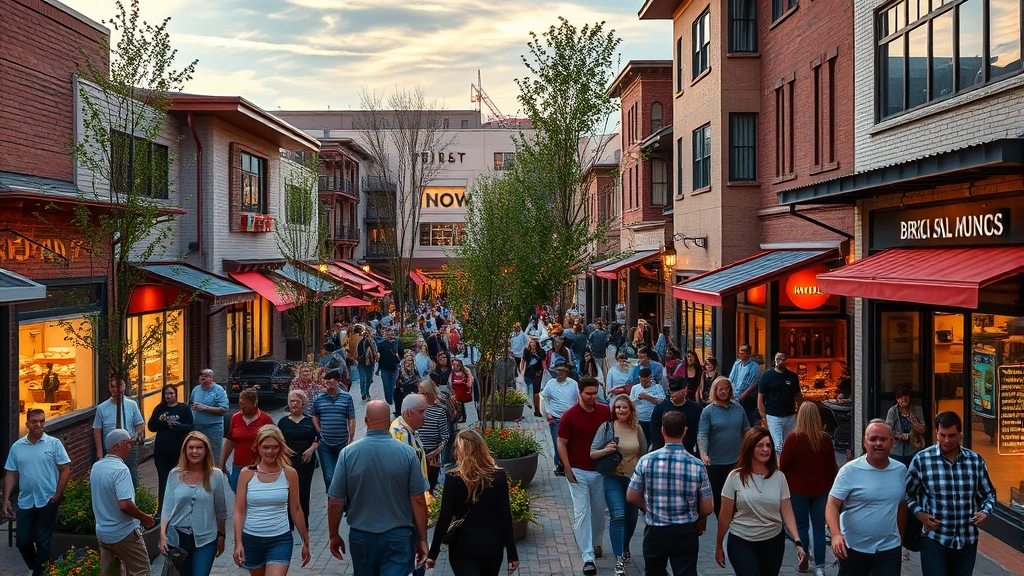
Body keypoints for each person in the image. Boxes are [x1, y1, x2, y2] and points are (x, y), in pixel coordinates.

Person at [327, 401, 429, 576]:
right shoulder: (407, 453)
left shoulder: (348, 454)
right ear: (389, 421)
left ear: (366, 420)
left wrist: (334, 534)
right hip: (397, 534)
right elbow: (418, 499)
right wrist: (422, 538)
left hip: (361, 534)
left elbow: (335, 501)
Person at [905, 411, 996, 576]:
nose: (947, 440)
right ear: (936, 433)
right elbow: (907, 494)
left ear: (960, 434)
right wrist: (920, 514)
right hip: (935, 538)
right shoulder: (922, 460)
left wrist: (985, 512)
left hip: (966, 540)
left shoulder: (975, 461)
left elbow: (989, 493)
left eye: (952, 435)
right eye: (942, 435)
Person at [626, 411, 713, 576]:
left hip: (656, 530)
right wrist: (699, 518)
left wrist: (647, 508)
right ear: (685, 431)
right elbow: (708, 507)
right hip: (685, 532)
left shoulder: (646, 461)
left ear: (662, 431)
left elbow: (631, 496)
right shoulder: (697, 465)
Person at [715, 427, 806, 576]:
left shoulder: (779, 477)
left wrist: (797, 541)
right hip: (741, 540)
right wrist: (719, 545)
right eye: (761, 445)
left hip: (773, 540)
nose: (765, 449)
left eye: (768, 445)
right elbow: (725, 514)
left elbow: (787, 511)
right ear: (750, 447)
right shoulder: (734, 477)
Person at [427, 429, 519, 576]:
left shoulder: (453, 479)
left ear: (460, 451)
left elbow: (444, 518)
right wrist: (512, 553)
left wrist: (433, 553)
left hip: (462, 546)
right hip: (492, 545)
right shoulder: (498, 476)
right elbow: (505, 516)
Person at [826, 419, 907, 576]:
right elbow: (832, 504)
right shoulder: (849, 470)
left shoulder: (901, 470)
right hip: (853, 548)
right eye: (873, 439)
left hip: (889, 549)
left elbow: (902, 504)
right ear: (865, 443)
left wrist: (900, 539)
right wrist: (836, 535)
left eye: (883, 439)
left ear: (892, 443)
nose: (878, 443)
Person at [232, 425, 311, 574]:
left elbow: (296, 508)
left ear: (281, 447)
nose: (271, 451)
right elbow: (239, 510)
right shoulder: (246, 474)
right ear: (258, 447)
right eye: (266, 447)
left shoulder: (289, 473)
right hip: (252, 539)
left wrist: (305, 540)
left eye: (275, 447)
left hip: (280, 539)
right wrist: (238, 543)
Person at [2, 409, 71, 576]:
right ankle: (35, 568)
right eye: (34, 422)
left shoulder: (54, 444)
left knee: (43, 542)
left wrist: (57, 494)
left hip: (48, 500)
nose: (39, 425)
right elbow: (11, 473)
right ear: (27, 424)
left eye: (42, 421)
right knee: (23, 542)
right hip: (26, 501)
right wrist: (6, 499)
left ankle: (40, 573)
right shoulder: (18, 447)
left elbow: (65, 469)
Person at [556, 377, 611, 575]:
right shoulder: (569, 416)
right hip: (578, 470)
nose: (593, 397)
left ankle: (596, 543)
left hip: (600, 471)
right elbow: (561, 442)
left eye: (595, 393)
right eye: (589, 394)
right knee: (582, 512)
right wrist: (567, 468)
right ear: (579, 393)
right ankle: (588, 556)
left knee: (598, 512)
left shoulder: (605, 411)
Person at [159, 431, 230, 576]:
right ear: (185, 450)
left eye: (199, 447)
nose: (194, 451)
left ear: (206, 451)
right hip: (178, 538)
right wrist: (162, 536)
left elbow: (220, 509)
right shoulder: (175, 474)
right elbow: (167, 507)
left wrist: (221, 535)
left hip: (206, 538)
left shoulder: (215, 475)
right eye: (191, 448)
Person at [590, 395, 647, 576]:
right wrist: (606, 450)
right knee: (618, 516)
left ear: (630, 410)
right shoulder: (606, 427)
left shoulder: (637, 428)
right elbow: (592, 453)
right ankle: (619, 559)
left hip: (633, 479)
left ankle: (625, 545)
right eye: (617, 408)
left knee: (631, 518)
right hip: (612, 477)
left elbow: (644, 453)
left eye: (624, 408)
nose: (620, 411)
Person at [779, 402, 838, 576]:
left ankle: (803, 556)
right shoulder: (825, 439)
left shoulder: (793, 439)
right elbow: (832, 468)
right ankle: (820, 566)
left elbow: (784, 466)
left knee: (801, 527)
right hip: (821, 490)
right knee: (819, 529)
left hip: (797, 489)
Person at [91, 429, 156, 576]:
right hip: (123, 533)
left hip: (102, 533)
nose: (130, 447)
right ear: (121, 444)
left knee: (111, 572)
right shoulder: (120, 470)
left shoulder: (97, 467)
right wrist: (144, 517)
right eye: (129, 443)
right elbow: (124, 504)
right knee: (142, 571)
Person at [697, 376, 750, 517]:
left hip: (736, 461)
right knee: (719, 498)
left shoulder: (738, 408)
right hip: (716, 463)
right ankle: (723, 525)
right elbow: (702, 435)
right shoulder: (708, 411)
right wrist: (703, 454)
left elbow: (747, 431)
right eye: (720, 389)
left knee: (737, 497)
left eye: (726, 389)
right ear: (715, 390)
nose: (723, 392)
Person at [147, 384, 195, 511]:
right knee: (163, 479)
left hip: (177, 450)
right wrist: (160, 421)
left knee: (177, 478)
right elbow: (151, 427)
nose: (168, 396)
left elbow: (190, 426)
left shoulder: (183, 408)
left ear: (176, 394)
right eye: (166, 394)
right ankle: (162, 508)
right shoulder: (159, 408)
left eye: (171, 394)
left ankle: (178, 507)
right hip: (161, 451)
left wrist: (179, 426)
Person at [278, 390, 319, 531]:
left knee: (303, 491)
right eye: (292, 401)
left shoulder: (310, 420)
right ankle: (288, 522)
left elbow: (318, 438)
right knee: (288, 490)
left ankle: (303, 521)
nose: (294, 404)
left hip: (306, 461)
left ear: (303, 403)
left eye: (297, 401)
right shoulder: (283, 422)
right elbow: (278, 439)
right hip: (288, 461)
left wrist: (312, 448)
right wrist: (284, 448)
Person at [93, 377, 145, 486]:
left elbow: (139, 423)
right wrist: (99, 452)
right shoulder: (102, 408)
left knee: (132, 475)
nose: (118, 390)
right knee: (112, 475)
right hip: (111, 448)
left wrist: (136, 436)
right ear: (110, 388)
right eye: (114, 387)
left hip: (129, 446)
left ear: (124, 386)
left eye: (120, 386)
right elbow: (97, 429)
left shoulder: (131, 404)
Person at [311, 369, 356, 492]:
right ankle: (332, 503)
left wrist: (351, 437)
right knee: (329, 476)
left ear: (337, 381)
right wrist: (319, 431)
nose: (327, 382)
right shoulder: (319, 398)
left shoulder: (346, 398)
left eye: (330, 379)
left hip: (342, 442)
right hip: (325, 444)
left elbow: (351, 418)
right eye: (326, 379)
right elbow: (314, 416)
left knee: (343, 475)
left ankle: (345, 503)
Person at [220, 388, 274, 491]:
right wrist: (222, 463)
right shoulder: (235, 418)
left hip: (259, 466)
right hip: (238, 464)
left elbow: (275, 442)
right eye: (240, 403)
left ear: (254, 403)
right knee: (236, 489)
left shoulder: (265, 419)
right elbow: (230, 441)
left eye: (244, 404)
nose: (241, 407)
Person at [757, 352, 802, 454]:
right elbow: (760, 397)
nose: (780, 361)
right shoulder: (766, 376)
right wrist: (764, 415)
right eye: (778, 359)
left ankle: (787, 466)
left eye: (783, 359)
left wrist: (800, 412)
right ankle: (779, 466)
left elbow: (798, 395)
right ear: (774, 361)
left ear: (786, 361)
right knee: (778, 446)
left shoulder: (792, 376)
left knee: (789, 444)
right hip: (773, 416)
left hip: (790, 416)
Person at [540, 362, 579, 476]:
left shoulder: (573, 384)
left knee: (571, 442)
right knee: (557, 442)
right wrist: (547, 413)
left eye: (562, 370)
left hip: (570, 418)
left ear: (567, 372)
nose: (559, 373)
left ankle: (571, 464)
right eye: (558, 370)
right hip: (556, 418)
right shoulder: (550, 384)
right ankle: (559, 465)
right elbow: (544, 398)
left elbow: (578, 399)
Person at [649, 377, 703, 455]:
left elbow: (697, 431)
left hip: (687, 451)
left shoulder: (696, 409)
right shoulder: (660, 408)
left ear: (684, 390)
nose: (672, 394)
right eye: (671, 391)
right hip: (663, 450)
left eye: (676, 391)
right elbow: (655, 431)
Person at [191, 368, 229, 464]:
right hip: (198, 427)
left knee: (213, 454)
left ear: (211, 378)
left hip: (213, 428)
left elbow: (223, 409)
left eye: (206, 375)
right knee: (198, 453)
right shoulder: (196, 389)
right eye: (201, 375)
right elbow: (191, 403)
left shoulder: (218, 390)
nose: (202, 377)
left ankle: (214, 474)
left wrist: (206, 408)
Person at [418, 379, 451, 489]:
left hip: (431, 455)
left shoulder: (440, 410)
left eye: (421, 393)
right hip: (416, 453)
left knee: (430, 486)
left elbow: (445, 436)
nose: (418, 395)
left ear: (428, 394)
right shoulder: (416, 408)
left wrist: (433, 453)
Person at [885, 386, 927, 467]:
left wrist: (913, 420)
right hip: (896, 450)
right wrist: (900, 436)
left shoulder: (917, 409)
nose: (903, 400)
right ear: (897, 399)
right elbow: (888, 430)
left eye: (906, 397)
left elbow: (923, 429)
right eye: (900, 398)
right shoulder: (892, 411)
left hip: (913, 449)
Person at [728, 345, 762, 431]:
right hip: (734, 395)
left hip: (747, 398)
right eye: (739, 353)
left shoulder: (754, 367)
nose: (739, 355)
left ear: (748, 354)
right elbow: (731, 378)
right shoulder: (737, 364)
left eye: (742, 353)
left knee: (747, 419)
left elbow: (754, 383)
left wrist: (743, 395)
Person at [628, 367, 665, 444]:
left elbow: (662, 401)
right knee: (641, 441)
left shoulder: (657, 388)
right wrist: (638, 397)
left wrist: (648, 397)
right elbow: (630, 402)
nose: (644, 383)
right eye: (642, 381)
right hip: (639, 419)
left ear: (650, 378)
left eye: (646, 381)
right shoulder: (635, 388)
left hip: (653, 420)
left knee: (654, 441)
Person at [377, 327, 403, 405]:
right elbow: (376, 353)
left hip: (395, 368)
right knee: (386, 388)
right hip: (384, 369)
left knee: (393, 387)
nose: (388, 335)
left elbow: (401, 353)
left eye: (390, 333)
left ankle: (392, 402)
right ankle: (389, 402)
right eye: (386, 333)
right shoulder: (380, 344)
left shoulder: (397, 343)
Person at [521, 338, 546, 417]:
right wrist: (521, 372)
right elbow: (523, 361)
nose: (532, 345)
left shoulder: (541, 352)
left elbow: (543, 362)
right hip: (528, 374)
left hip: (537, 374)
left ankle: (537, 410)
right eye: (531, 343)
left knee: (536, 392)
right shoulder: (526, 352)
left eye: (534, 343)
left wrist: (544, 371)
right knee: (526, 392)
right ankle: (526, 410)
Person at [395, 351, 422, 416]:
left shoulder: (417, 366)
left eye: (411, 355)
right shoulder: (401, 367)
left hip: (415, 387)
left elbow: (419, 377)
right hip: (403, 388)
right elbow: (398, 379)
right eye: (407, 356)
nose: (409, 357)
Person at [450, 358, 474, 423]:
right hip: (455, 392)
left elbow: (470, 379)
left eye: (457, 365)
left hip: (463, 392)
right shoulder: (451, 372)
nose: (455, 367)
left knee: (461, 405)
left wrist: (468, 385)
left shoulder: (465, 372)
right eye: (454, 364)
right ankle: (457, 416)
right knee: (456, 405)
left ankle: (463, 417)